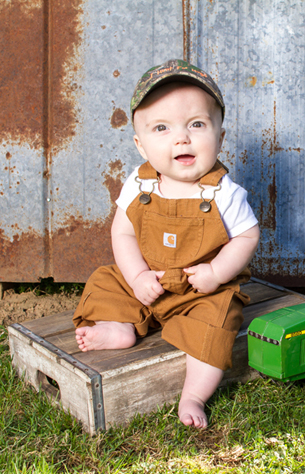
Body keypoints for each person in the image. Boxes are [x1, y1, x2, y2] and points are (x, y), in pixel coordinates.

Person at [72, 59, 260, 429]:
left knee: (220, 318)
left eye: (197, 125)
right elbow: (122, 233)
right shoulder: (139, 185)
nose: (181, 138)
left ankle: (193, 394)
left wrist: (216, 271)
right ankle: (121, 326)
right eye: (162, 128)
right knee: (106, 281)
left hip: (199, 289)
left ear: (220, 137)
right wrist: (138, 275)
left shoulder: (225, 193)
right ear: (141, 146)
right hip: (148, 281)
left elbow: (247, 236)